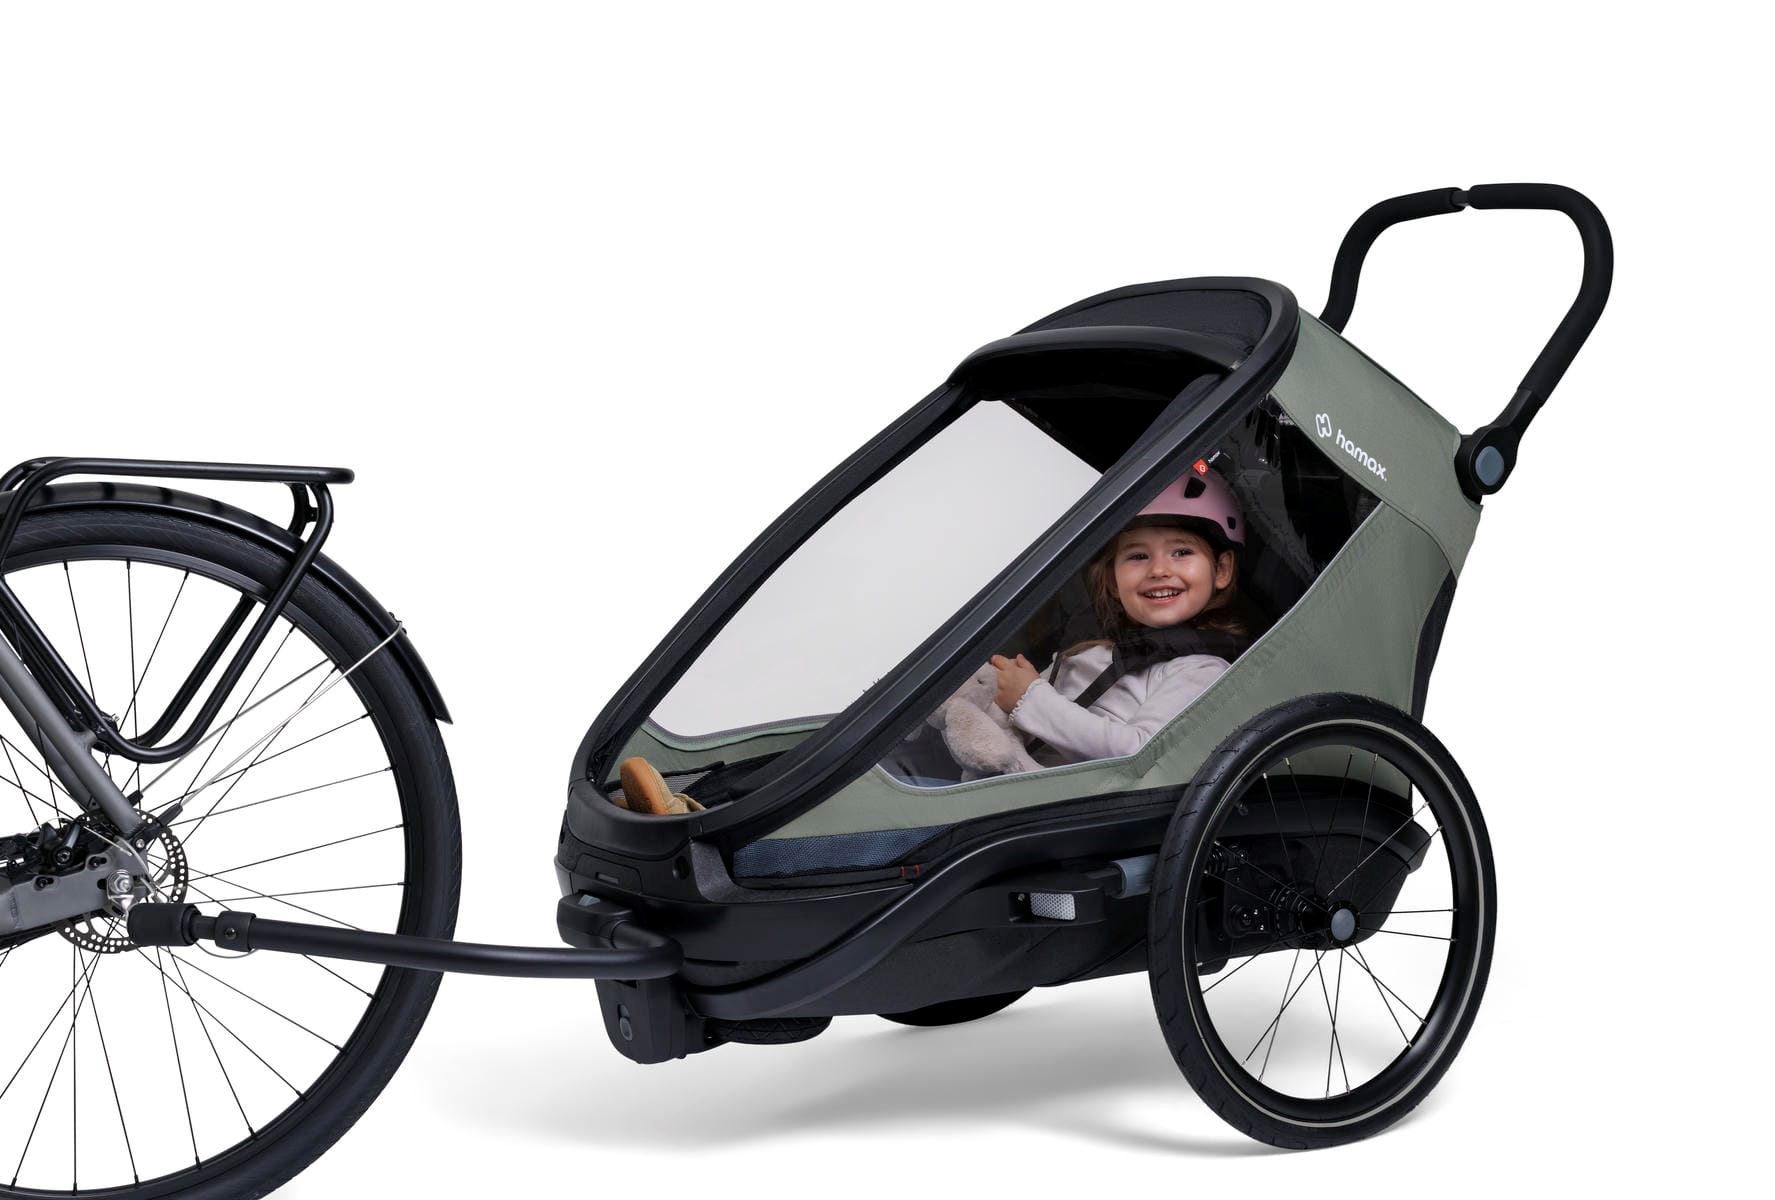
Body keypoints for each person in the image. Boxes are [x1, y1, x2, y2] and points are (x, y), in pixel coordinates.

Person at [989, 462, 1255, 768]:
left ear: (1221, 570)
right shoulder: (1091, 647)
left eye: (1182, 552)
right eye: (1138, 556)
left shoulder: (1200, 671)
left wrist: (1030, 699)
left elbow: (1140, 754)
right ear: (1114, 581)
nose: (1159, 570)